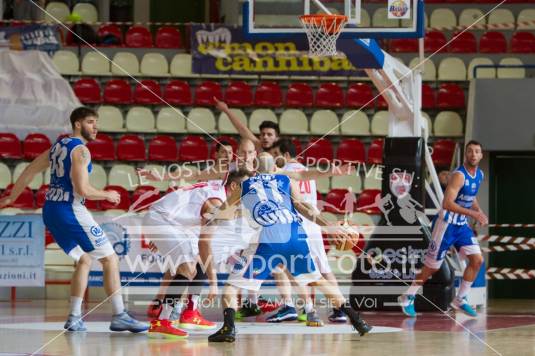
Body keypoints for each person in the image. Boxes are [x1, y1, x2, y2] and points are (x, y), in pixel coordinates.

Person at [0, 107, 148, 332]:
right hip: (70, 210)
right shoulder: (81, 151)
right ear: (77, 124)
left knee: (85, 260)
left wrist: (12, 196)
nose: (95, 126)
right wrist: (107, 194)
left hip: (50, 210)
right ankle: (120, 315)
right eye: (90, 122)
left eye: (96, 122)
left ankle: (75, 317)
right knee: (110, 259)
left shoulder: (57, 146)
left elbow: (30, 169)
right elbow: (83, 189)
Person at [207, 153, 372, 342]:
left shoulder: (244, 185)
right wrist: (328, 225)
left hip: (265, 241)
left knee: (232, 286)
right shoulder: (287, 180)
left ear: (253, 167)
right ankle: (358, 320)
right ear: (275, 167)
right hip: (295, 237)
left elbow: (222, 215)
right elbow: (304, 207)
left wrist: (219, 214)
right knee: (317, 281)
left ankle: (228, 329)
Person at [398, 140, 487, 318]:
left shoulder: (479, 175)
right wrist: (473, 214)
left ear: (481, 155)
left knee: (477, 260)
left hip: (461, 225)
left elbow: (471, 196)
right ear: (466, 155)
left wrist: (479, 211)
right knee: (432, 268)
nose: (473, 155)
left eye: (477, 151)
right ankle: (408, 296)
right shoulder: (459, 175)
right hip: (445, 225)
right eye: (470, 151)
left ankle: (460, 299)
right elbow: (447, 203)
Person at [267, 138, 348, 324]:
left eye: (275, 155)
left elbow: (300, 181)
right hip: (313, 224)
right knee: (323, 269)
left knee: (288, 267)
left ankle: (302, 308)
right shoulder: (302, 170)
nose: (273, 159)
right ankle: (339, 309)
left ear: (286, 155)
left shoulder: (286, 171)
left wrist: (329, 171)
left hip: (298, 224)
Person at [215, 98, 279, 151]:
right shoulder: (257, 145)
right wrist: (226, 110)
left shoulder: (282, 150)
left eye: (269, 134)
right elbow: (241, 129)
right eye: (263, 134)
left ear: (276, 138)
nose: (265, 137)